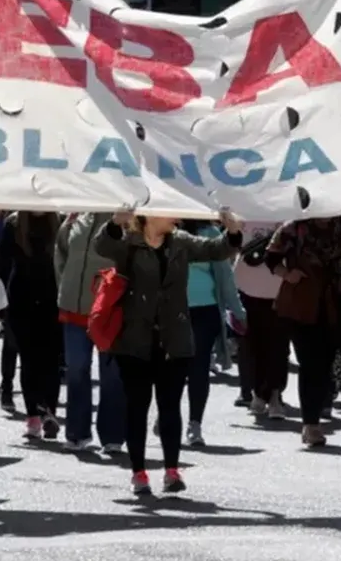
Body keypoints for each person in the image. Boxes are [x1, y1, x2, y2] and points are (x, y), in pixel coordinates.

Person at [94, 210, 242, 495]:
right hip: (134, 341)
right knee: (137, 407)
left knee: (170, 407)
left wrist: (232, 231)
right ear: (150, 216)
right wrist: (115, 222)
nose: (176, 217)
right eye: (169, 212)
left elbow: (216, 249)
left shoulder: (180, 242)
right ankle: (138, 472)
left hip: (174, 341)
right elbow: (103, 246)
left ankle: (172, 471)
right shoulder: (129, 242)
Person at [268, 215, 341, 449]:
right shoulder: (293, 227)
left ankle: (314, 417)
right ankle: (311, 424)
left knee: (326, 364)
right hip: (301, 302)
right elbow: (271, 258)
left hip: (334, 304)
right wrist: (288, 274)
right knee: (309, 363)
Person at [55, 212, 126, 452]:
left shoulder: (124, 222)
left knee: (112, 376)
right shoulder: (77, 219)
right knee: (76, 371)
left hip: (109, 313)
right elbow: (61, 254)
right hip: (74, 310)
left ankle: (112, 436)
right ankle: (77, 433)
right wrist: (64, 287)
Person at [0, 211, 63, 441]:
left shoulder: (60, 222)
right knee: (28, 360)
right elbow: (2, 264)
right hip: (21, 299)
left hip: (52, 298)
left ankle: (50, 412)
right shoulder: (13, 224)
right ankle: (33, 415)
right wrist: (0, 303)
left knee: (51, 360)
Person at [179, 219, 246, 446]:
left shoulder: (210, 233)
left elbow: (225, 277)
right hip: (171, 311)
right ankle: (169, 415)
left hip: (204, 311)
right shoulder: (163, 232)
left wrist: (238, 312)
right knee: (173, 368)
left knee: (198, 367)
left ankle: (194, 424)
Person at [236, 220, 287, 419]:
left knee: (279, 345)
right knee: (253, 344)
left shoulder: (288, 214)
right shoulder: (245, 209)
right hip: (248, 289)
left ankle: (275, 395)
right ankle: (258, 392)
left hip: (280, 291)